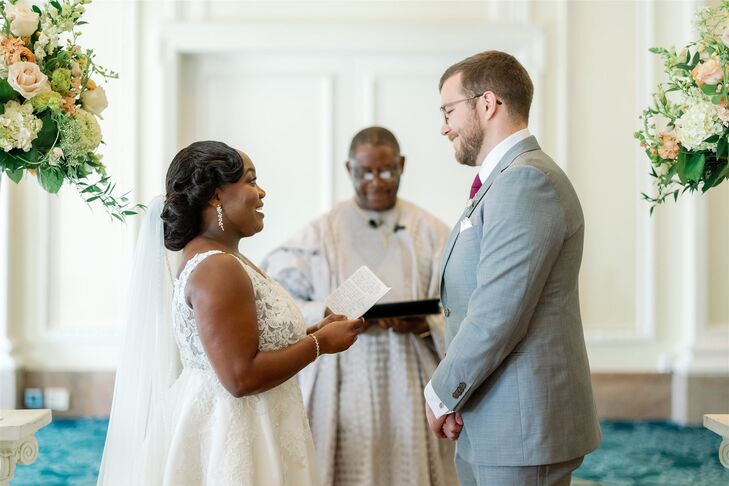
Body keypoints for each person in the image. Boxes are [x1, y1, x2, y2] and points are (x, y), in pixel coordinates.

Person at [97, 141, 364, 486]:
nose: (262, 191)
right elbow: (240, 377)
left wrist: (315, 332)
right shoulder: (218, 268)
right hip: (234, 431)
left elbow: (249, 343)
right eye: (251, 181)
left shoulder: (225, 257)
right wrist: (319, 346)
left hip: (257, 420)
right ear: (216, 196)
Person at [424, 51, 601, 485]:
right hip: (496, 419)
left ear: (487, 104)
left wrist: (441, 392)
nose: (444, 127)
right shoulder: (507, 179)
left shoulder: (526, 181)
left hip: (522, 425)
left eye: (448, 111)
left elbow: (498, 311)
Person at [262, 127, 458, 486]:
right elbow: (277, 300)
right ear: (348, 168)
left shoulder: (430, 232)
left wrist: (426, 324)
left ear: (401, 165)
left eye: (386, 171)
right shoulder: (322, 233)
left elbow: (461, 306)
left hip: (409, 373)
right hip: (343, 376)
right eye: (364, 172)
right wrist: (327, 314)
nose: (376, 182)